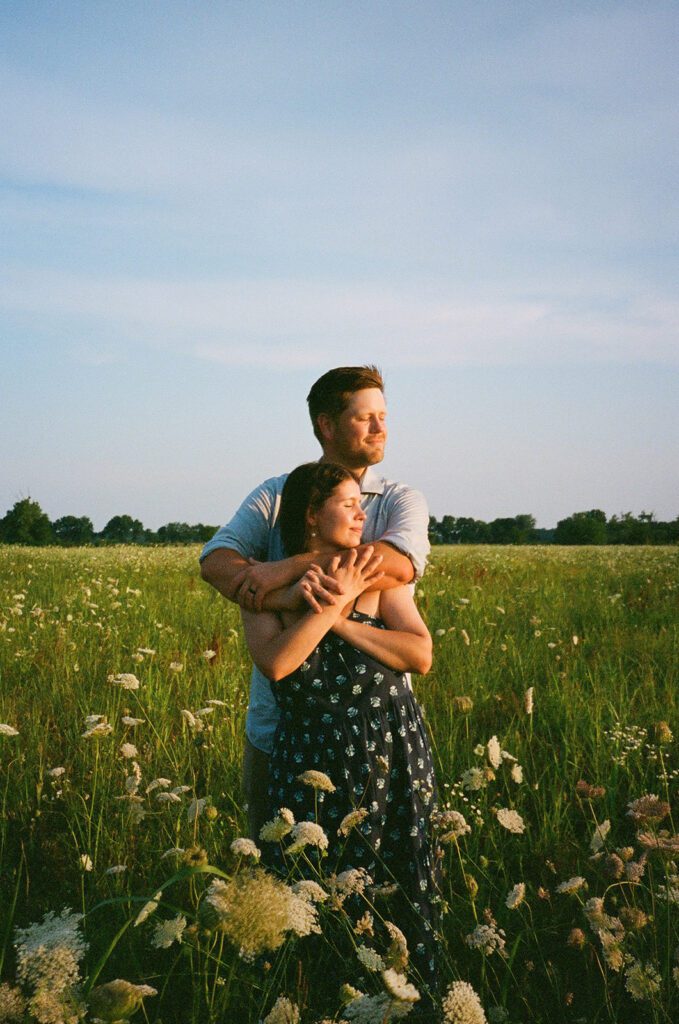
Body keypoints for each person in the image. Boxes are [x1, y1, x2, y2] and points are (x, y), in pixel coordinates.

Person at [200, 366, 430, 840]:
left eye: (383, 416)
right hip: (281, 726)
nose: (381, 428)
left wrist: (276, 572)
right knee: (280, 863)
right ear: (326, 425)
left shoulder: (398, 499)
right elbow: (216, 562)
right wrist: (289, 595)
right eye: (365, 417)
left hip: (375, 729)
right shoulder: (278, 494)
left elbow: (398, 563)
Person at [240, 462, 438, 1000]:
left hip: (390, 756)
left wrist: (346, 619)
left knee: (396, 895)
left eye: (362, 504)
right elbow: (279, 664)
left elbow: (420, 655)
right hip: (310, 764)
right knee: (312, 894)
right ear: (310, 514)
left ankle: (404, 1002)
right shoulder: (261, 589)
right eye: (348, 504)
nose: (361, 514)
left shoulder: (376, 577)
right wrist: (328, 605)